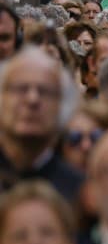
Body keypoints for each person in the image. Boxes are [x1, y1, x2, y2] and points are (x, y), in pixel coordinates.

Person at [0, 47, 83, 205]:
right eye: (21, 89)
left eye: (45, 91)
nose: (32, 99)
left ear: (62, 106)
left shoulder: (81, 194)